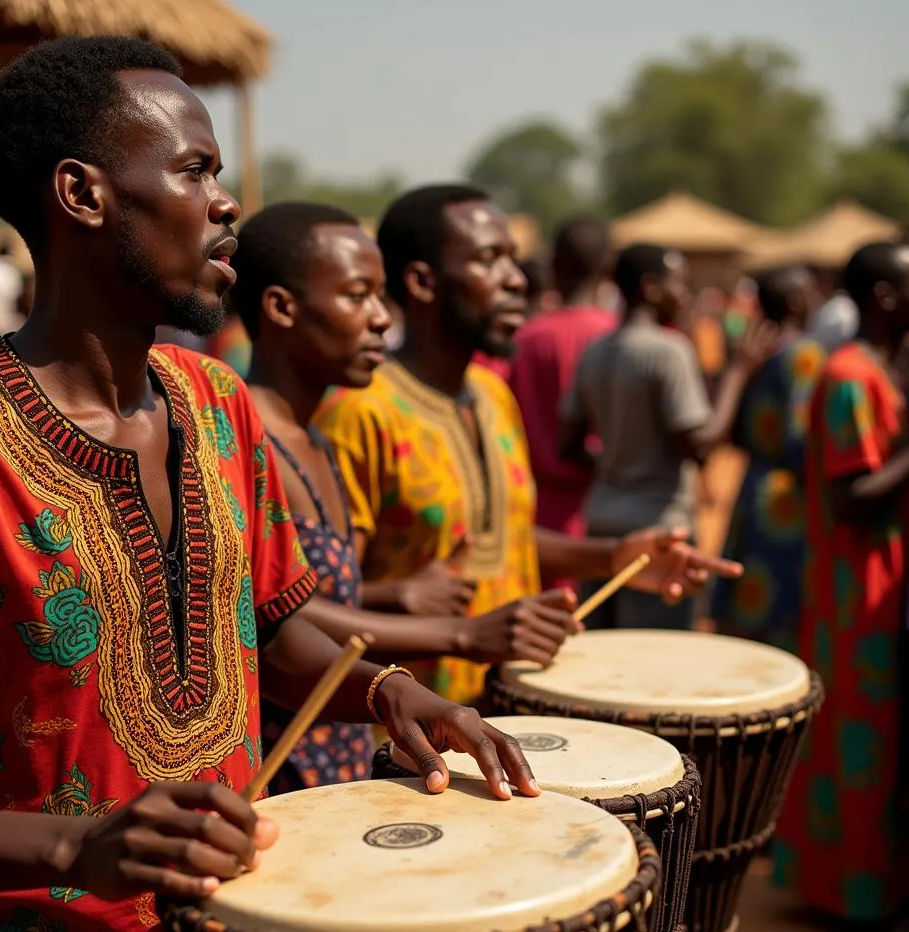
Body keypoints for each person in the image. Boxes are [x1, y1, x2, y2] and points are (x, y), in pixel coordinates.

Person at [0, 39, 538, 932]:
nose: (225, 201)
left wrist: (387, 689)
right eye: (194, 171)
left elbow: (273, 630)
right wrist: (72, 848)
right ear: (83, 193)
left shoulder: (217, 403)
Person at [315, 185, 743, 706]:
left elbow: (506, 540)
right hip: (403, 743)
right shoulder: (358, 414)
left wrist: (616, 557)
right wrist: (403, 603)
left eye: (513, 261)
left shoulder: (494, 395)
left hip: (505, 715)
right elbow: (309, 610)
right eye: (488, 260)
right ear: (423, 282)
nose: (515, 280)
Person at [235, 201, 581, 792]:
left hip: (354, 732)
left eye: (379, 297)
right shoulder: (249, 436)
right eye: (357, 296)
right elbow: (262, 613)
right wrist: (461, 635)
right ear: (282, 308)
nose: (379, 319)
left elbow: (317, 588)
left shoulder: (313, 433)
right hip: (289, 753)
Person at [772, 241, 909, 932]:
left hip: (884, 581)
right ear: (886, 297)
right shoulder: (850, 374)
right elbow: (853, 494)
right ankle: (861, 903)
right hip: (858, 590)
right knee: (864, 746)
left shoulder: (884, 368)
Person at [559, 243, 776, 631]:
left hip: (602, 522)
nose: (685, 295)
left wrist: (617, 465)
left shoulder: (595, 351)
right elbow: (702, 445)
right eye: (679, 283)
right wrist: (738, 374)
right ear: (651, 287)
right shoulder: (668, 350)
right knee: (653, 661)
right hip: (660, 529)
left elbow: (568, 444)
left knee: (604, 658)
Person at [710, 265, 825, 653]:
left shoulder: (755, 352)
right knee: (781, 625)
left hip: (753, 489)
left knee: (747, 615)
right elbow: (802, 440)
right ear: (795, 302)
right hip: (786, 502)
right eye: (810, 294)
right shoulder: (805, 356)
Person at [507, 217, 617, 578]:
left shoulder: (526, 339)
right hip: (604, 512)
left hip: (536, 518)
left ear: (552, 265)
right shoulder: (614, 338)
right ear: (607, 267)